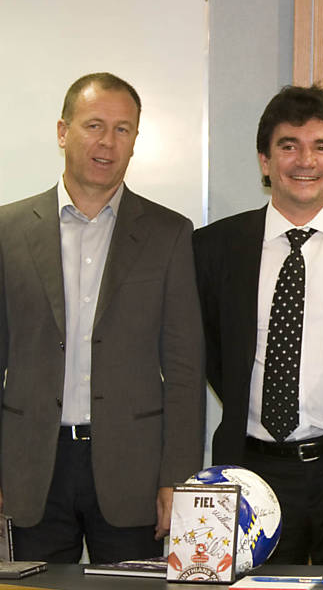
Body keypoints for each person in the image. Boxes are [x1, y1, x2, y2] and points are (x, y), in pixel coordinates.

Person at [193, 85, 323, 565]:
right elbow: (207, 350)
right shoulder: (212, 248)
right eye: (288, 145)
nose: (305, 160)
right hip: (251, 473)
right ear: (264, 161)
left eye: (322, 146)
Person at [0, 72, 205, 563]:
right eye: (94, 125)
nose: (107, 142)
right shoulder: (7, 231)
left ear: (135, 140)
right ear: (62, 131)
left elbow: (183, 369)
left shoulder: (169, 234)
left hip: (133, 471)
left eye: (122, 129)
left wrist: (176, 480)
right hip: (30, 470)